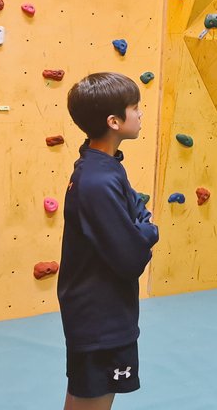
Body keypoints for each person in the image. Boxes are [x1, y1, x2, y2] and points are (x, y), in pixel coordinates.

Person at [58, 73, 159, 410]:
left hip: (101, 312)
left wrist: (138, 223)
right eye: (135, 108)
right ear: (114, 121)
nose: (141, 114)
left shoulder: (103, 165)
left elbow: (136, 207)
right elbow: (131, 255)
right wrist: (148, 231)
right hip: (99, 319)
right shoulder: (97, 181)